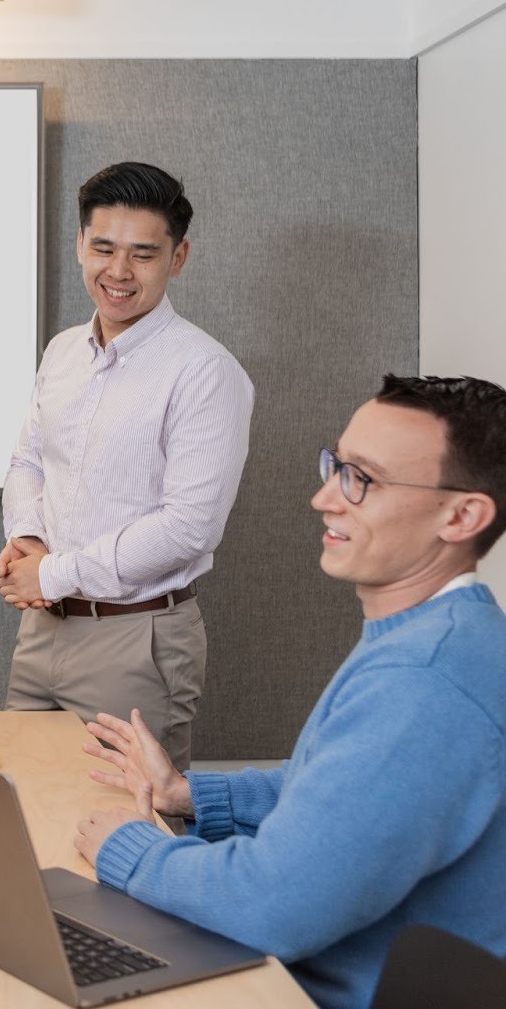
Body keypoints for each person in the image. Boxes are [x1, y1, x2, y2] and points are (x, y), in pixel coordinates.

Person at [74, 375, 506, 1009]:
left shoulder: (424, 682)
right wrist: (188, 793)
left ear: (461, 515)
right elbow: (340, 791)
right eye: (337, 466)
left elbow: (271, 905)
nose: (323, 498)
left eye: (364, 479)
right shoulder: (443, 633)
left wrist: (130, 850)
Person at [0, 161, 254, 770]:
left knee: (128, 832)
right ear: (80, 243)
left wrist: (52, 573)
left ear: (178, 256)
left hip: (137, 640)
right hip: (43, 629)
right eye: (103, 247)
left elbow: (189, 525)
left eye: (142, 253)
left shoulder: (203, 371)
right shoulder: (63, 350)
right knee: (22, 803)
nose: (118, 271)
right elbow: (29, 458)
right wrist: (27, 537)